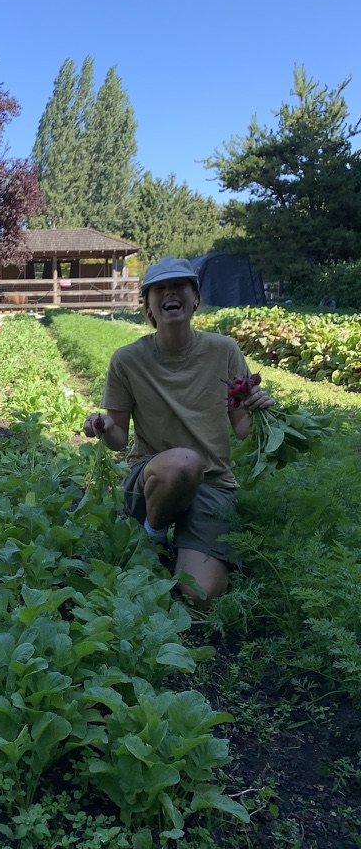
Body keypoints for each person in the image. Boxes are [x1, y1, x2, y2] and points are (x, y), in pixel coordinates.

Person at [83, 257, 273, 609]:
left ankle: (183, 538)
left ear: (195, 297)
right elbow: (118, 439)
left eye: (179, 286)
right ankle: (153, 536)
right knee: (184, 464)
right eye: (159, 288)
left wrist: (258, 410)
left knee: (201, 596)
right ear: (148, 305)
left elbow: (243, 429)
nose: (170, 292)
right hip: (153, 476)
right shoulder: (128, 360)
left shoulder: (224, 350)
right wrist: (102, 427)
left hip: (212, 484)